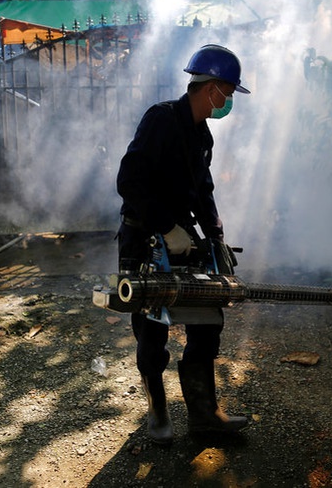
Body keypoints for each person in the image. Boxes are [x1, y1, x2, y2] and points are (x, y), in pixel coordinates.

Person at [116, 44, 250, 445]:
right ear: (209, 88)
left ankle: (204, 414)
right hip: (143, 237)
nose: (227, 102)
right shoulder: (161, 120)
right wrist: (166, 226)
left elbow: (202, 191)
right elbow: (130, 182)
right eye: (226, 93)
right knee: (151, 328)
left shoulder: (202, 136)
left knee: (207, 319)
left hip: (181, 240)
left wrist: (216, 237)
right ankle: (158, 413)